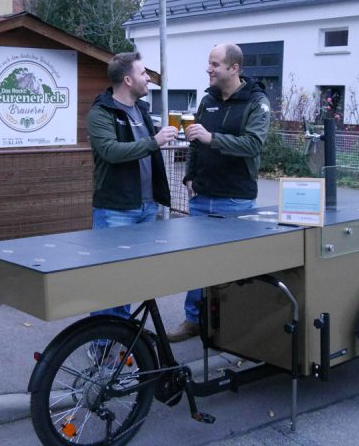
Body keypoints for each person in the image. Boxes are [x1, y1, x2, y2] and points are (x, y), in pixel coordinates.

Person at [167, 43, 271, 342]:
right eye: (209, 63)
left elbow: (253, 144)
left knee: (234, 266)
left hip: (236, 198)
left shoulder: (256, 101)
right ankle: (194, 320)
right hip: (203, 196)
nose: (208, 69)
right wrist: (189, 175)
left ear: (234, 68)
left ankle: (235, 327)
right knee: (198, 263)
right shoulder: (208, 100)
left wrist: (213, 138)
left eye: (214, 64)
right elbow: (196, 142)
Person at [87, 51, 178, 320]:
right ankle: (102, 344)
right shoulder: (101, 112)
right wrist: (155, 141)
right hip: (116, 209)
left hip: (147, 207)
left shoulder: (141, 110)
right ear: (127, 80)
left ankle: (122, 336)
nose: (148, 78)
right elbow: (111, 151)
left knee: (129, 278)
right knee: (109, 280)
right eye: (143, 73)